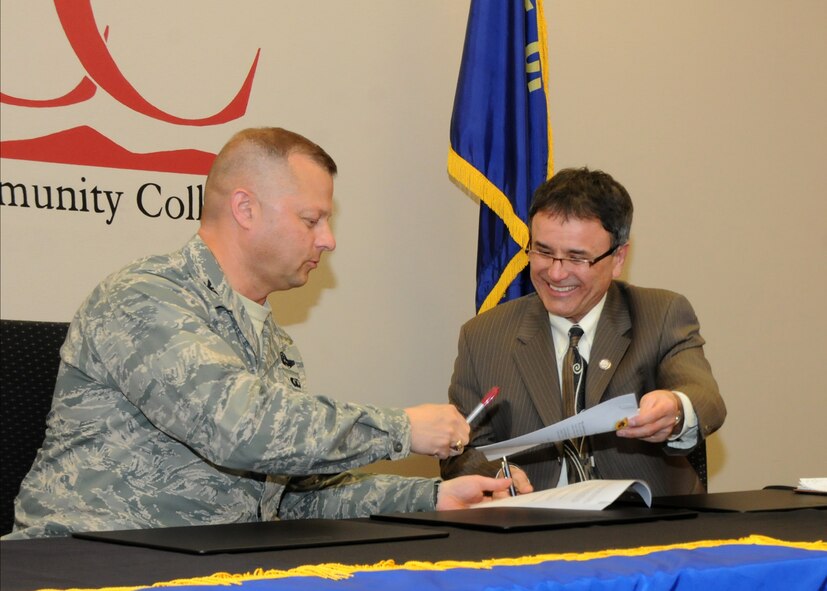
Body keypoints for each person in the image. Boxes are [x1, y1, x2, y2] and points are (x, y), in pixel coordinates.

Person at [6, 127, 511, 540]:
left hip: (211, 565)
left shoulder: (274, 344)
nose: (328, 240)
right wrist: (402, 428)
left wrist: (435, 498)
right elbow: (240, 430)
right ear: (245, 209)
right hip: (87, 562)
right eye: (311, 219)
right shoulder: (141, 297)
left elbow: (295, 497)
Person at [440, 167, 726, 497]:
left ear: (618, 258)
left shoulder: (660, 314)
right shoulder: (483, 336)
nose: (556, 273)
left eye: (577, 258)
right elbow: (461, 453)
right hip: (530, 532)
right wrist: (500, 474)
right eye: (543, 251)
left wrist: (676, 409)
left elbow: (705, 397)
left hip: (643, 529)